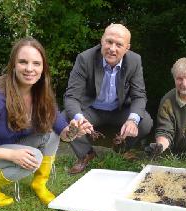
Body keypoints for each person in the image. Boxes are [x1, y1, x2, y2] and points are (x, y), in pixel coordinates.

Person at [0, 37, 92, 207]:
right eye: (23, 62)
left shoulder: (42, 93)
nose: (29, 69)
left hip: (9, 145)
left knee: (51, 134)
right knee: (33, 157)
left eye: (36, 63)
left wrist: (74, 131)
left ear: (43, 68)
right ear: (13, 65)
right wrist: (12, 155)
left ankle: (39, 183)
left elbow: (62, 132)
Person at [64, 23, 153, 174]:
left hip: (119, 110)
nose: (112, 48)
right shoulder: (85, 59)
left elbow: (139, 95)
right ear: (102, 41)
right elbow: (71, 96)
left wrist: (132, 120)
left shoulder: (134, 61)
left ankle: (122, 149)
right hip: (91, 109)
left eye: (119, 44)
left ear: (127, 48)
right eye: (109, 42)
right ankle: (86, 154)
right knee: (66, 118)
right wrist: (79, 118)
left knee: (145, 122)